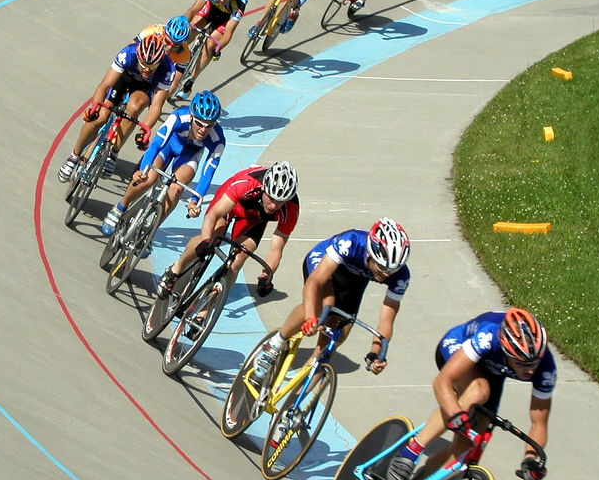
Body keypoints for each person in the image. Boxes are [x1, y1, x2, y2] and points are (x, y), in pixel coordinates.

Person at [384, 308, 553, 480]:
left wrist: (530, 459)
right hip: (459, 346)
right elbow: (442, 382)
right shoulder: (490, 335)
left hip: (493, 371)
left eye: (534, 363)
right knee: (478, 390)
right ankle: (408, 454)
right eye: (521, 363)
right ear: (506, 349)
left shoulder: (546, 368)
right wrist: (455, 413)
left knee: (465, 445)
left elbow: (539, 423)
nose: (529, 370)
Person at [255, 218, 412, 376]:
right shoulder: (352, 242)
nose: (385, 274)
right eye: (381, 267)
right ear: (370, 253)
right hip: (324, 263)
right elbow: (315, 282)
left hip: (353, 281)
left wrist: (375, 354)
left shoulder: (401, 276)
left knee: (331, 345)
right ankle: (276, 343)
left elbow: (386, 321)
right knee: (323, 307)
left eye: (392, 270)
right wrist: (311, 318)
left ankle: (296, 398)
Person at [156, 161, 300, 303]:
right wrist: (206, 241)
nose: (274, 205)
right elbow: (213, 215)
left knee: (239, 258)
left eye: (280, 201)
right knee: (213, 237)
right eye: (271, 198)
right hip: (231, 203)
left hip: (254, 218)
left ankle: (204, 314)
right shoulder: (247, 183)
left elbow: (276, 249)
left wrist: (266, 275)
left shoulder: (291, 208)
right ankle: (176, 268)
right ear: (264, 188)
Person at [101, 91, 226, 239]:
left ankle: (149, 232)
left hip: (190, 154)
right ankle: (120, 208)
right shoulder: (178, 117)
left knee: (177, 189)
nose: (203, 130)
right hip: (169, 144)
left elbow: (208, 172)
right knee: (148, 178)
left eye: (209, 125)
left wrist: (195, 201)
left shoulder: (218, 140)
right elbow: (156, 145)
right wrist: (143, 171)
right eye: (199, 123)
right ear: (191, 116)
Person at [57, 33, 175, 183]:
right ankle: (74, 156)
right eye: (144, 65)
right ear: (138, 56)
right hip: (124, 79)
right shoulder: (128, 54)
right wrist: (95, 108)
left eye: (152, 67)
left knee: (134, 108)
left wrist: (143, 131)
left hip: (144, 89)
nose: (147, 70)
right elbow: (105, 86)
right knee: (100, 117)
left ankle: (113, 152)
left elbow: (157, 105)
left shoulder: (167, 68)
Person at [175, 0, 250, 99]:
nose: (221, 0)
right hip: (211, 9)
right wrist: (182, 24)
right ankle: (176, 54)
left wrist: (218, 48)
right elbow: (193, 10)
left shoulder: (240, 1)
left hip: (226, 18)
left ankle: (190, 81)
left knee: (210, 45)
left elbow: (229, 32)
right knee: (190, 30)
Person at [136, 16, 193, 103]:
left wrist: (159, 100)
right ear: (164, 33)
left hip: (164, 68)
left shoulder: (184, 54)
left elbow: (174, 82)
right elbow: (130, 49)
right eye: (167, 41)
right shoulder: (151, 32)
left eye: (175, 46)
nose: (170, 48)